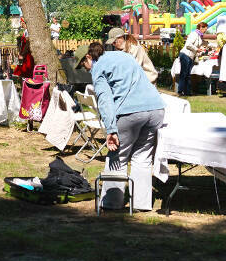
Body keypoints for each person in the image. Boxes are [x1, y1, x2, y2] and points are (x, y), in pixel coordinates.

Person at [87, 40, 166, 211]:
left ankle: (111, 203)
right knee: (143, 158)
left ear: (89, 57)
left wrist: (111, 130)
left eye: (85, 65)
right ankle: (141, 204)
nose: (87, 69)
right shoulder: (124, 55)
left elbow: (105, 99)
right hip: (156, 108)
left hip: (131, 112)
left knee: (117, 156)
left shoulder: (98, 66)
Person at [177, 22, 208, 97]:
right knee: (184, 74)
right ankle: (180, 91)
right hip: (185, 55)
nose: (206, 31)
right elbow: (188, 45)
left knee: (187, 75)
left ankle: (187, 91)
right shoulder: (194, 34)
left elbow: (205, 43)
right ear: (201, 28)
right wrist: (197, 49)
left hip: (190, 57)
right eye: (205, 29)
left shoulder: (199, 36)